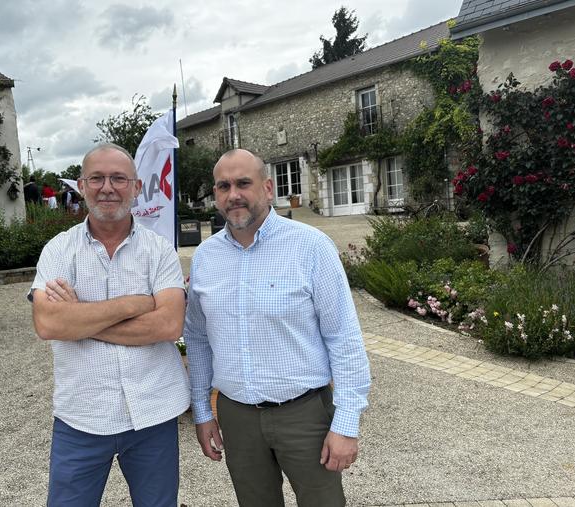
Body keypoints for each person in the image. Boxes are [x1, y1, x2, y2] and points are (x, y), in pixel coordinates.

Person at [184, 149, 371, 507]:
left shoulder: (310, 246)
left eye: (244, 183)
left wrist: (346, 424)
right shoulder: (206, 258)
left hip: (305, 415)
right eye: (223, 186)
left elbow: (344, 337)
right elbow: (197, 338)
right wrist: (203, 412)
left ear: (268, 188)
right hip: (237, 417)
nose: (233, 194)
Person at [29, 143, 189, 507]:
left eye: (118, 178)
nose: (108, 187)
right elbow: (46, 322)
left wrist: (80, 319)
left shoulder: (159, 250)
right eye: (97, 178)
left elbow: (168, 325)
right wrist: (134, 304)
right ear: (81, 186)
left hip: (153, 414)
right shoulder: (58, 250)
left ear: (135, 186)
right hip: (81, 416)